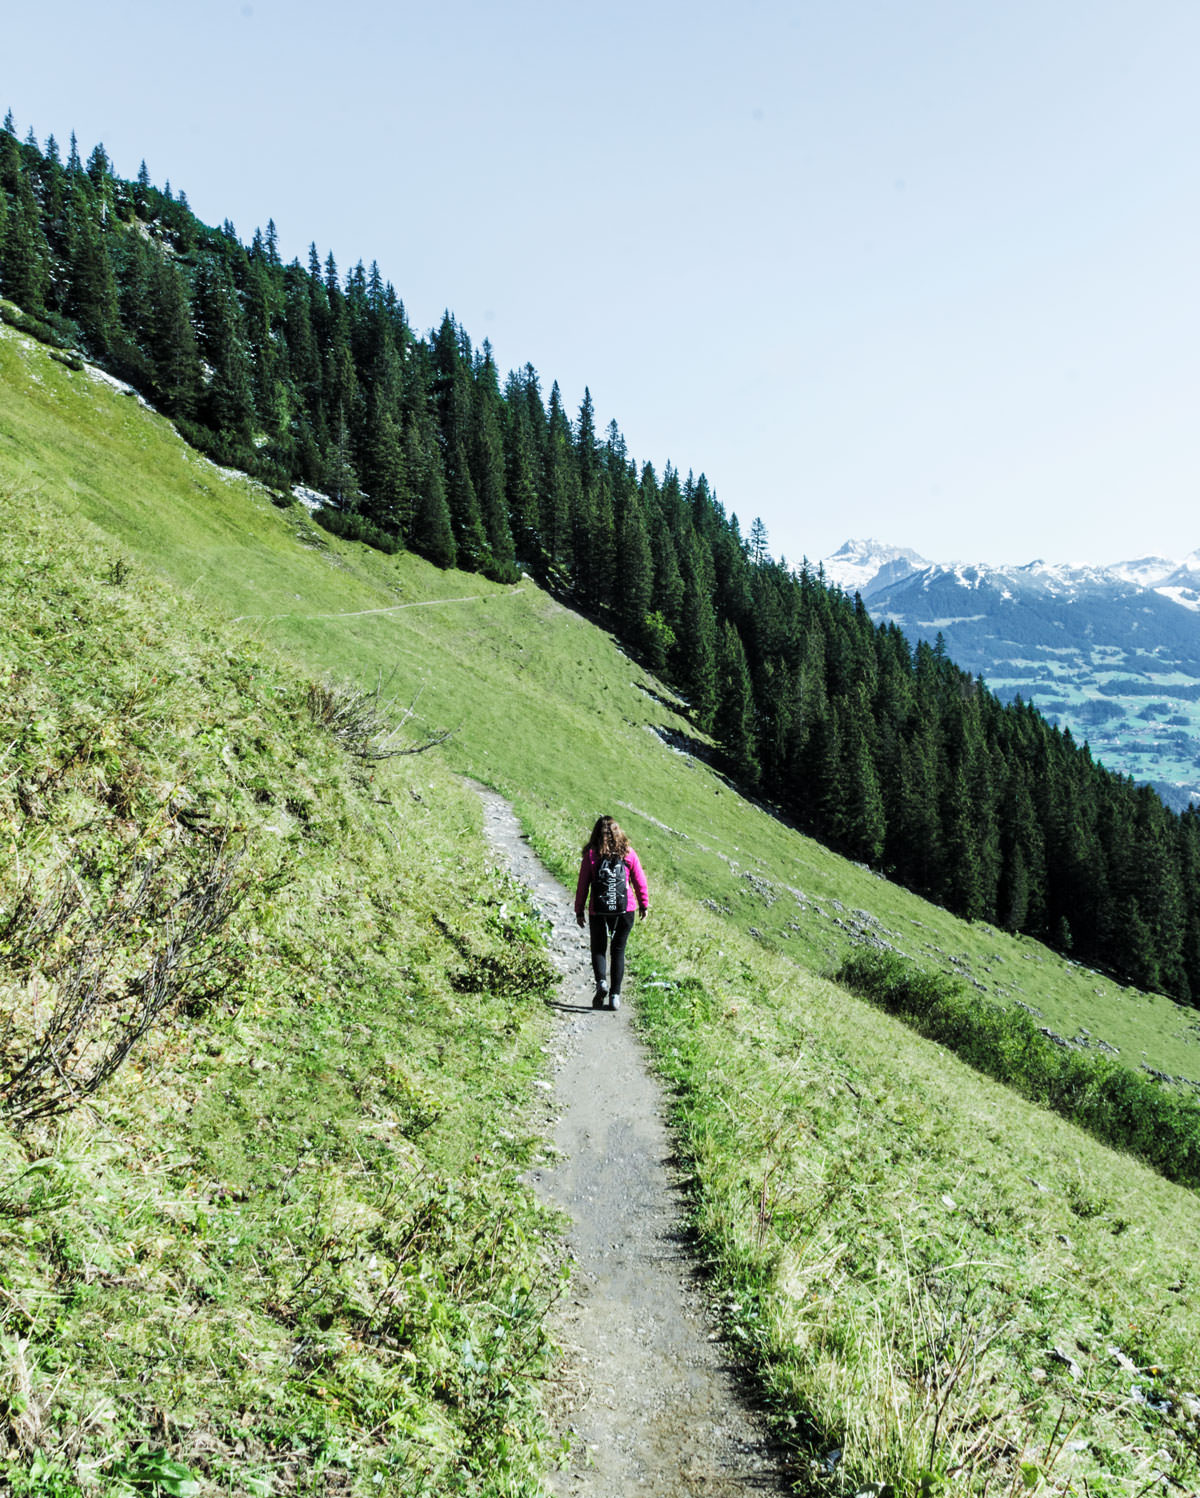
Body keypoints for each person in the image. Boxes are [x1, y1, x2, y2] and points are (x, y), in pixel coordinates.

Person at [574, 814, 649, 1011]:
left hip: (598, 910)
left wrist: (579, 910)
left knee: (599, 948)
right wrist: (644, 905)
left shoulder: (591, 855)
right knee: (618, 950)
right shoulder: (628, 854)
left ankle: (601, 983)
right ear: (618, 833)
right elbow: (639, 881)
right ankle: (615, 996)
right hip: (626, 910)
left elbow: (583, 885)